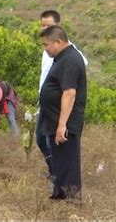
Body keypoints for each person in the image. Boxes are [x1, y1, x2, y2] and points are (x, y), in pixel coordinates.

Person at [37, 10, 88, 180]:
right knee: (54, 153)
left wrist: (62, 125)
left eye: (46, 45)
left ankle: (70, 199)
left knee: (68, 160)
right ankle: (59, 188)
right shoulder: (59, 56)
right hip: (51, 114)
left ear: (57, 41)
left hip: (64, 119)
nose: (45, 48)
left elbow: (69, 93)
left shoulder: (71, 58)